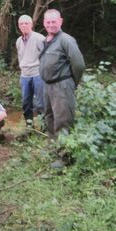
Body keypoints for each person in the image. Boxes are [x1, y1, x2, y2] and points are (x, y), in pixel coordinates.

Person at [39, 9, 85, 142]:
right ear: (44, 23)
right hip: (47, 86)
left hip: (62, 85)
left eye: (54, 21)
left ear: (60, 21)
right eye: (48, 22)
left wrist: (71, 83)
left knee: (63, 120)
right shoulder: (45, 40)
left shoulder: (67, 40)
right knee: (49, 116)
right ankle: (54, 146)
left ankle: (63, 156)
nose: (51, 24)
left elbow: (79, 65)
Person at [16, 15, 45, 132]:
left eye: (26, 23)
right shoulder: (18, 41)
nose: (24, 26)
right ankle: (29, 126)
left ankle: (44, 126)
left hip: (38, 74)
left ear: (31, 24)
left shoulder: (39, 38)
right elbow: (21, 58)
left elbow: (46, 56)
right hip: (24, 75)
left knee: (40, 102)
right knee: (26, 102)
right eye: (21, 24)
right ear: (19, 26)